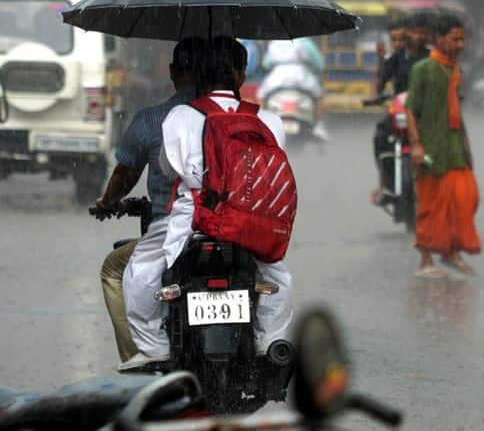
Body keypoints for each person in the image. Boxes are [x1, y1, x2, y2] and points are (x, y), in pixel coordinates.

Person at [120, 36, 293, 370]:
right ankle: (268, 342)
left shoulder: (180, 116)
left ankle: (155, 349)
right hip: (249, 226)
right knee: (278, 278)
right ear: (241, 74)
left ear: (200, 72)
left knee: (141, 271)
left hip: (193, 220)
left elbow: (169, 169)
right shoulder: (269, 121)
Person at [96, 36, 204, 363]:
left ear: (173, 71)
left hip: (170, 228)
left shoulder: (152, 119)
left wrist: (107, 202)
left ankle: (139, 356)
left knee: (115, 269)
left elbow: (124, 176)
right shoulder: (228, 118)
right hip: (227, 228)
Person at [405, 14, 481, 278]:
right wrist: (416, 145)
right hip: (430, 149)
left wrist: (467, 147)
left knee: (465, 200)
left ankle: (450, 252)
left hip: (454, 150)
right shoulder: (423, 69)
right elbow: (411, 110)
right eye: (454, 39)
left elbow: (457, 113)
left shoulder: (455, 70)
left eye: (462, 39)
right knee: (430, 205)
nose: (460, 44)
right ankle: (425, 260)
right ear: (439, 39)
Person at [371, 13, 432, 205]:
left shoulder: (431, 58)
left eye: (421, 32)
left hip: (425, 113)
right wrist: (381, 61)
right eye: (414, 32)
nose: (417, 37)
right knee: (380, 136)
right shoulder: (396, 58)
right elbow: (380, 84)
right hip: (399, 112)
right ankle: (385, 182)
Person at [257, 37, 329, 142]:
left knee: (262, 96)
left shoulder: (275, 44)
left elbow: (266, 64)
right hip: (301, 76)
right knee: (318, 95)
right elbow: (320, 64)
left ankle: (261, 126)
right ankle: (318, 126)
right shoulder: (305, 42)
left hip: (276, 77)